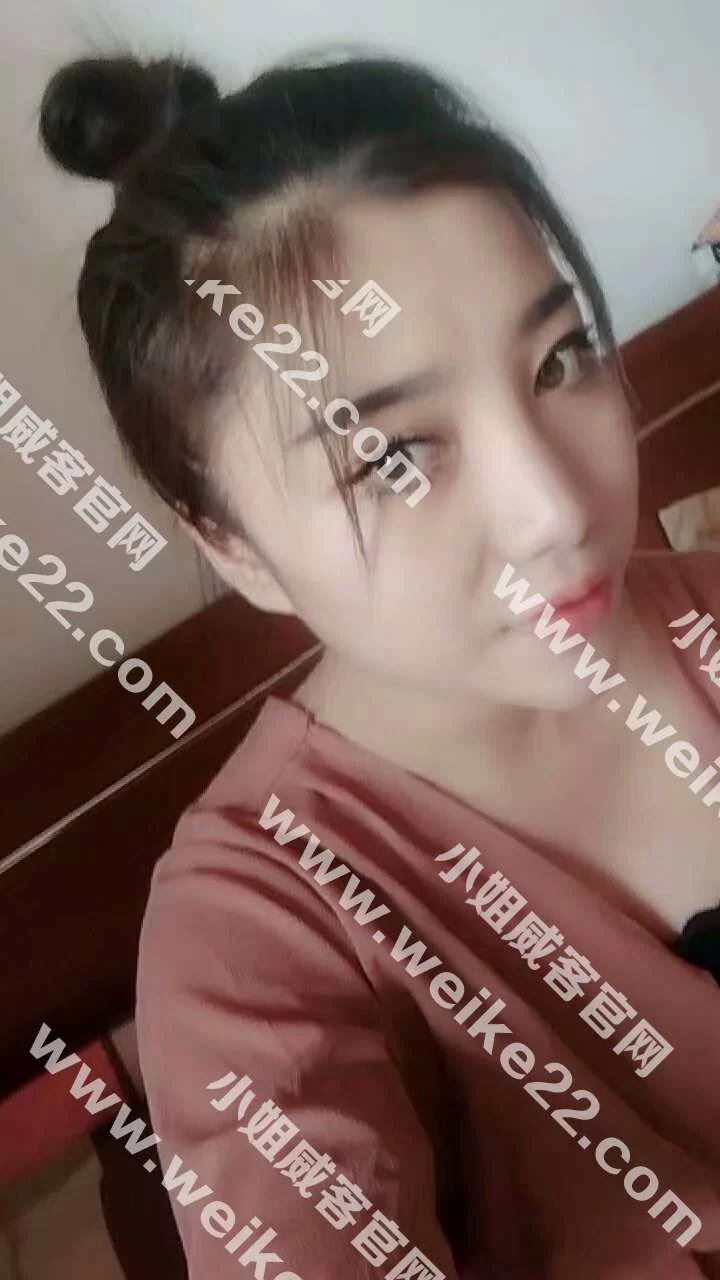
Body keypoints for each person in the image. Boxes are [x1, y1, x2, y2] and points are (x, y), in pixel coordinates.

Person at [38, 45, 720, 1279]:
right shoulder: (260, 934)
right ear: (233, 544)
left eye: (558, 359)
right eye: (393, 458)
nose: (557, 510)